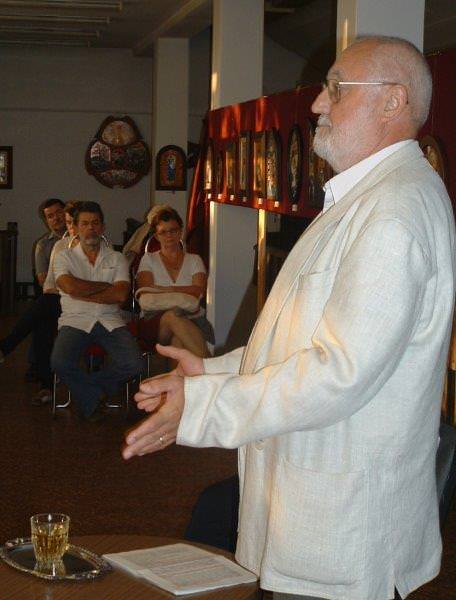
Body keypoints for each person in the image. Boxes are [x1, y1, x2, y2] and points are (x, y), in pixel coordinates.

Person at [122, 36, 455, 600]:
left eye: (336, 89)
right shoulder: (366, 199)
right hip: (319, 512)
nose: (318, 104)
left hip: (345, 532)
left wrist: (201, 408)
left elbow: (338, 372)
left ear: (393, 101)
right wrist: (211, 373)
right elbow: (300, 343)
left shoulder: (393, 212)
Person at [51, 201, 143, 423]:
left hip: (110, 320)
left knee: (134, 364)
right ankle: (94, 395)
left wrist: (80, 291)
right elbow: (69, 287)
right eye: (84, 223)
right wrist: (105, 287)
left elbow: (120, 295)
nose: (90, 228)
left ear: (102, 227)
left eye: (95, 223)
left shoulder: (117, 258)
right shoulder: (64, 257)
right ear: (76, 228)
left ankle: (90, 391)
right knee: (59, 362)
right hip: (75, 320)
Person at [0, 199, 68, 400]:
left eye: (59, 212)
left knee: (43, 312)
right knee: (44, 317)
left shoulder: (80, 239)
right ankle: (46, 384)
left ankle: (6, 348)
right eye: (50, 216)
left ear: (67, 213)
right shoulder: (43, 244)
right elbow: (43, 280)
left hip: (74, 298)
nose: (56, 218)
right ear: (46, 221)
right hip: (54, 297)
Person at [135, 206, 212, 359]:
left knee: (178, 342)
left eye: (173, 230)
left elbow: (199, 290)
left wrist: (166, 289)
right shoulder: (148, 259)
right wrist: (184, 292)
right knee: (173, 316)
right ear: (156, 236)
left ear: (181, 231)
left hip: (189, 318)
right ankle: (210, 365)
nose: (169, 235)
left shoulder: (194, 260)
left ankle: (194, 373)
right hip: (154, 320)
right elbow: (146, 291)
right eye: (163, 232)